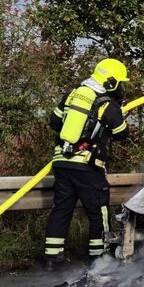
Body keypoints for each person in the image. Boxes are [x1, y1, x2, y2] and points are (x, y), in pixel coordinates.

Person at [43, 58, 129, 270]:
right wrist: (117, 113)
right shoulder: (106, 105)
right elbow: (122, 133)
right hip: (87, 165)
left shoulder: (72, 94)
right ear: (110, 83)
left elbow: (54, 122)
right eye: (119, 83)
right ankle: (100, 259)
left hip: (62, 162)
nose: (121, 87)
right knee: (98, 210)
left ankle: (52, 258)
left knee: (61, 208)